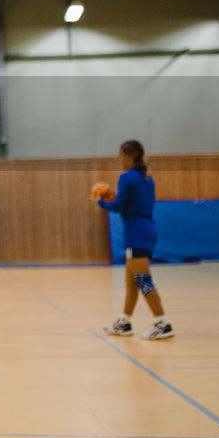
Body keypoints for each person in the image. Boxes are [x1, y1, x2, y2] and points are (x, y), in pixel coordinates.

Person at [94, 140, 174, 340]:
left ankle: (162, 323)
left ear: (128, 156)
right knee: (132, 282)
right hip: (146, 229)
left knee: (143, 280)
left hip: (135, 233)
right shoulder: (147, 178)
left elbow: (120, 206)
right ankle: (125, 322)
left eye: (120, 155)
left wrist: (102, 202)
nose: (119, 159)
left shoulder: (126, 177)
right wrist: (116, 198)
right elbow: (133, 203)